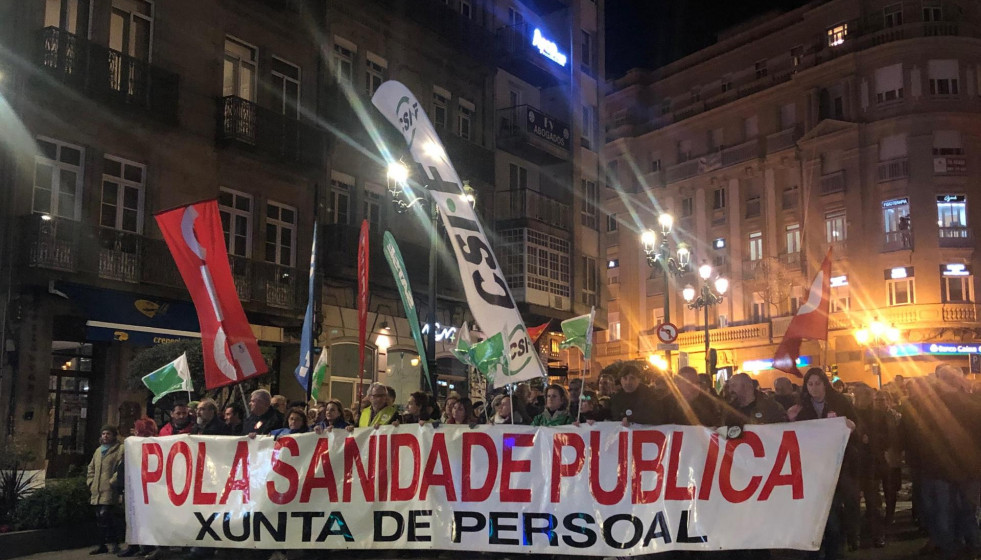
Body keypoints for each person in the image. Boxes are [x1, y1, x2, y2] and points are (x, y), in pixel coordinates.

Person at [788, 368, 859, 560]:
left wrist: (850, 426)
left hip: (837, 466)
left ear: (825, 384)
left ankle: (837, 549)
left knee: (835, 510)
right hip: (812, 468)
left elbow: (856, 425)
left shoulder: (839, 402)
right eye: (810, 384)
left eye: (818, 383)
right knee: (815, 512)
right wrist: (790, 419)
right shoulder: (802, 407)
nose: (814, 388)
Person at [115, 418, 157, 558]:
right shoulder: (132, 444)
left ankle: (144, 546)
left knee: (142, 518)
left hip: (143, 488)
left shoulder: (152, 445)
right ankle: (135, 544)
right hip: (135, 487)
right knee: (133, 517)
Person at [88, 425, 124, 555]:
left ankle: (114, 543)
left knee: (106, 515)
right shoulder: (98, 451)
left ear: (114, 435)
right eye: (103, 434)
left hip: (109, 489)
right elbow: (91, 468)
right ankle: (102, 544)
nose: (105, 436)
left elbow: (120, 467)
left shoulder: (119, 450)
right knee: (99, 518)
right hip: (97, 490)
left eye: (108, 434)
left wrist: (112, 482)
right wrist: (91, 482)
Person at [722, 373, 787, 426]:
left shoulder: (771, 407)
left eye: (734, 385)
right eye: (729, 387)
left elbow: (782, 429)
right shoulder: (730, 410)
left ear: (746, 386)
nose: (730, 390)